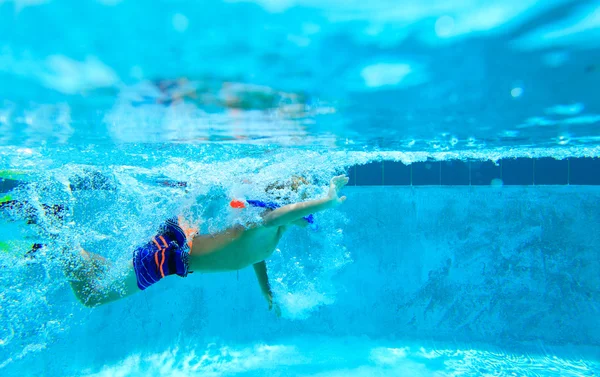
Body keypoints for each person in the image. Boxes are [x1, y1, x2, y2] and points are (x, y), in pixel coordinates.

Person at [65, 175, 349, 313]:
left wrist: (267, 292)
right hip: (169, 257)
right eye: (302, 209)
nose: (305, 217)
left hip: (176, 247)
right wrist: (327, 201)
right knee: (92, 296)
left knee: (111, 274)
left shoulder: (269, 234)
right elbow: (282, 214)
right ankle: (60, 241)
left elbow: (255, 258)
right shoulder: (264, 219)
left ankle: (71, 248)